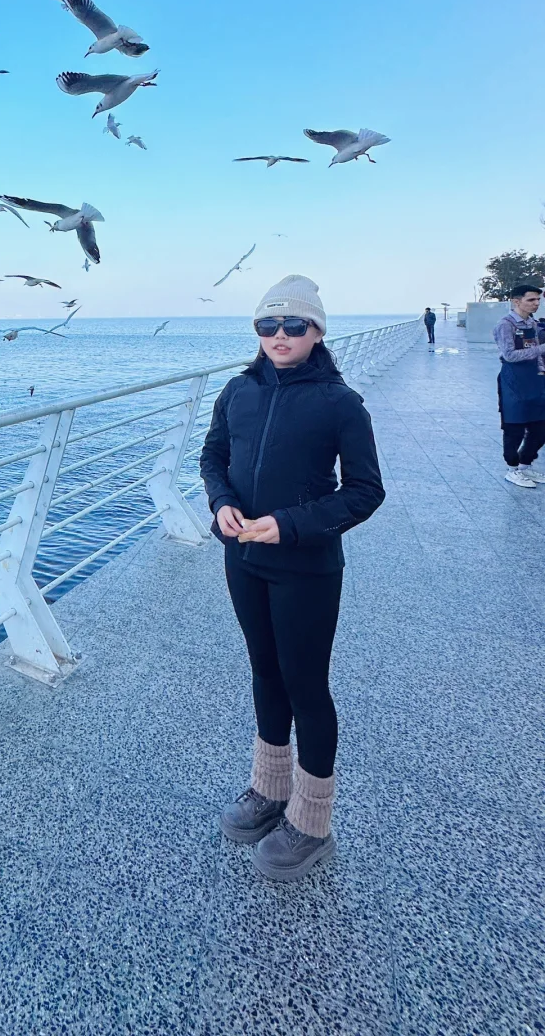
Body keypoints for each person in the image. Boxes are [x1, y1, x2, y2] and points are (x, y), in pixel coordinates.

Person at [199, 275, 385, 882]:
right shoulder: (237, 390)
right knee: (264, 671)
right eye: (267, 325)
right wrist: (221, 503)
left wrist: (290, 525)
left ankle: (312, 820)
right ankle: (269, 788)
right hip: (242, 558)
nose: (280, 336)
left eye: (294, 326)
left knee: (307, 685)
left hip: (305, 565)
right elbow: (213, 457)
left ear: (317, 332)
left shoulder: (339, 403)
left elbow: (364, 491)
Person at [493, 283, 545, 488]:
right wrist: (541, 349)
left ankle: (525, 465)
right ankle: (512, 469)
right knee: (514, 426)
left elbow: (536, 353)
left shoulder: (531, 324)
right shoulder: (505, 325)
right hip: (513, 381)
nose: (536, 304)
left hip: (535, 379)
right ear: (516, 301)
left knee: (539, 425)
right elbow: (510, 355)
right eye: (531, 300)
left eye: (538, 300)